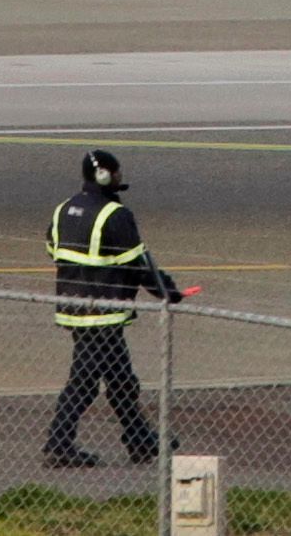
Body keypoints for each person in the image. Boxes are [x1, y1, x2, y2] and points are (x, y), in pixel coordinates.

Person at [43, 146, 179, 469]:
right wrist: (167, 292)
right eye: (115, 172)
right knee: (85, 382)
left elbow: (52, 248)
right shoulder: (115, 216)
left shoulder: (63, 209)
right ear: (103, 175)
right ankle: (58, 442)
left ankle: (138, 439)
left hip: (73, 308)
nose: (119, 177)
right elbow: (139, 265)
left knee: (121, 380)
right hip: (103, 313)